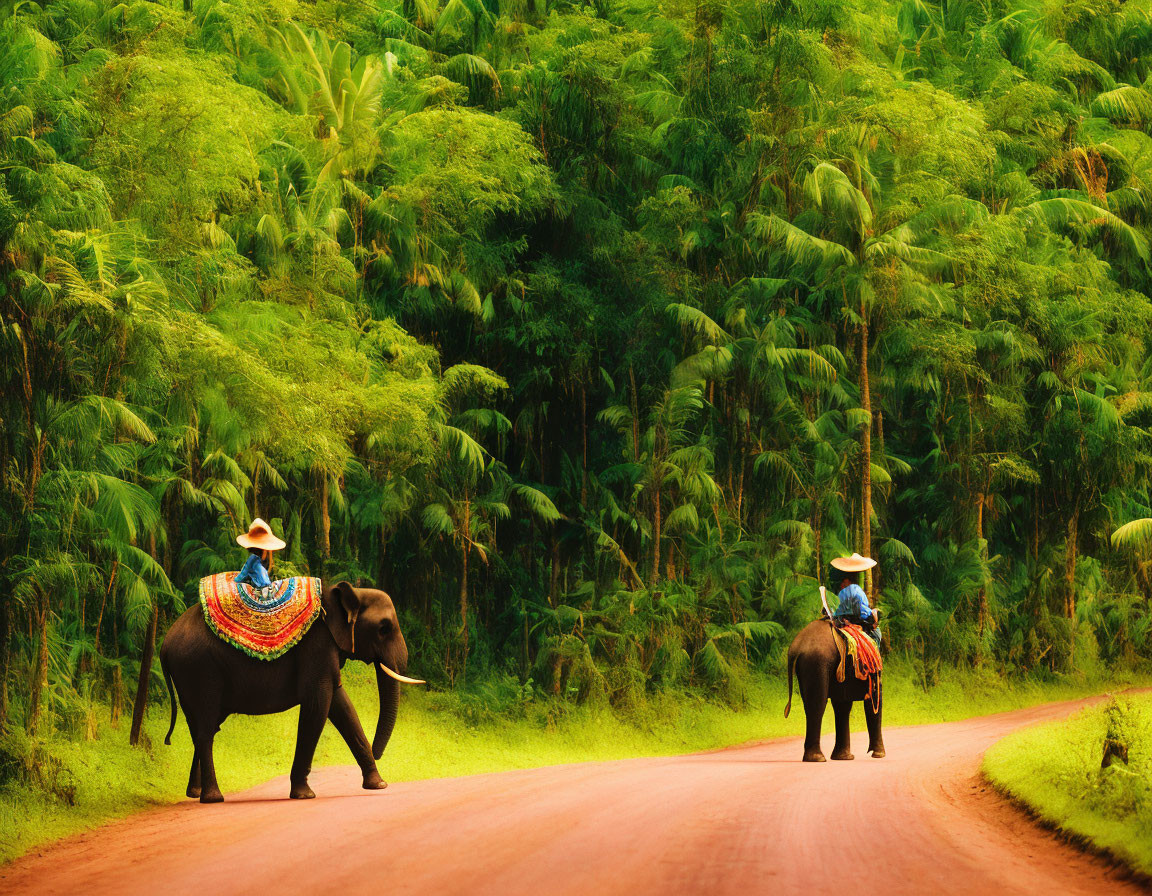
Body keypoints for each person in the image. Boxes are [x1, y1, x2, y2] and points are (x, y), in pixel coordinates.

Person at [831, 552, 881, 643]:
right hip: (855, 620)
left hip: (841, 619)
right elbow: (859, 612)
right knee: (877, 635)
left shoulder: (842, 592)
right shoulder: (856, 590)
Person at [234, 518, 286, 595]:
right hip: (261, 590)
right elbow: (262, 579)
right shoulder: (255, 560)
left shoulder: (260, 559)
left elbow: (241, 576)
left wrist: (236, 580)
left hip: (262, 588)